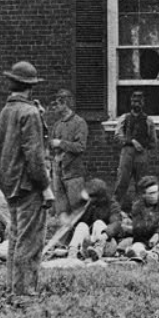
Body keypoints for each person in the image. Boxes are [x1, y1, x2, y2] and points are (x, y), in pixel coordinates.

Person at [0, 61, 50, 301]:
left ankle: (13, 288)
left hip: (10, 184)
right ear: (31, 87)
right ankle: (25, 293)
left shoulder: (7, 111)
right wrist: (46, 187)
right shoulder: (29, 113)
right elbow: (34, 156)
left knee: (16, 238)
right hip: (29, 185)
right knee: (30, 240)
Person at [49, 88, 89, 224]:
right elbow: (51, 146)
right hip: (58, 173)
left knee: (77, 211)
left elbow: (80, 147)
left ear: (64, 103)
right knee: (61, 212)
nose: (54, 108)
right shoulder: (57, 125)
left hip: (74, 174)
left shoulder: (79, 123)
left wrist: (61, 143)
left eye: (56, 104)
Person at [113, 91, 158, 207]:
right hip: (127, 152)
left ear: (143, 103)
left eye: (139, 101)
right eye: (134, 101)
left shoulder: (148, 121)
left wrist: (144, 145)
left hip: (141, 154)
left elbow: (153, 140)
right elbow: (117, 136)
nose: (136, 104)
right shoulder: (124, 118)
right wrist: (132, 141)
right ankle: (116, 207)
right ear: (130, 102)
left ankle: (139, 208)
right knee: (122, 180)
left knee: (141, 182)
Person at [65, 178, 123, 260]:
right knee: (82, 225)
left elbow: (116, 223)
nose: (91, 198)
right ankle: (72, 252)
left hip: (106, 244)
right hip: (89, 245)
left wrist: (105, 235)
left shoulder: (112, 205)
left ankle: (98, 250)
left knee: (99, 223)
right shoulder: (87, 204)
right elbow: (77, 224)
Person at [126, 176, 159, 256]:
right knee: (136, 247)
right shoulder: (137, 206)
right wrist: (158, 222)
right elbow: (138, 229)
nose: (154, 196)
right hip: (144, 240)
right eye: (151, 193)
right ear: (143, 195)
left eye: (156, 192)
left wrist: (157, 233)